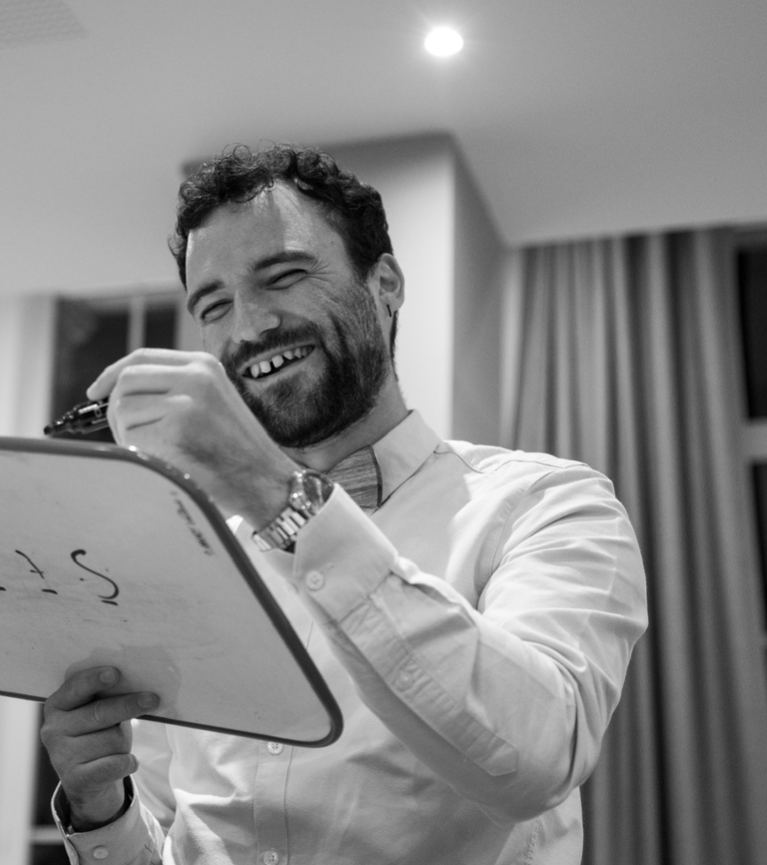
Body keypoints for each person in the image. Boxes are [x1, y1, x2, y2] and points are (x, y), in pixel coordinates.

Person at [40, 144, 647, 864]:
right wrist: (101, 808)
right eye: (214, 305)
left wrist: (275, 495)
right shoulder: (187, 558)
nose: (248, 327)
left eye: (284, 276)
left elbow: (537, 759)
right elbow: (169, 837)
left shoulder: (547, 505)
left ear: (385, 283)